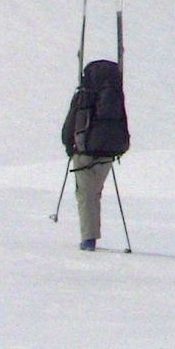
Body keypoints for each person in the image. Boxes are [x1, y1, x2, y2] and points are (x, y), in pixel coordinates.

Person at [60, 58, 131, 250]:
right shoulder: (115, 94)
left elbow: (71, 122)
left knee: (86, 194)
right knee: (94, 192)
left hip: (85, 151)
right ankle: (90, 235)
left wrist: (69, 144)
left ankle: (88, 239)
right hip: (108, 151)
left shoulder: (85, 94)